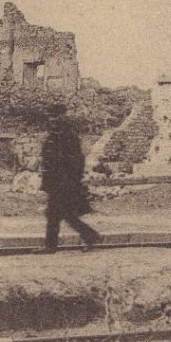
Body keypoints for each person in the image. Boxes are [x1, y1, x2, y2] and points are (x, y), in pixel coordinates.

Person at [39, 101, 101, 253]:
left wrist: (70, 180)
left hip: (65, 183)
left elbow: (77, 161)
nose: (52, 120)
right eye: (50, 117)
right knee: (60, 215)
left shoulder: (68, 136)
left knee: (59, 214)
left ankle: (52, 246)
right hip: (56, 183)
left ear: (62, 116)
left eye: (55, 117)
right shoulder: (54, 135)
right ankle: (88, 235)